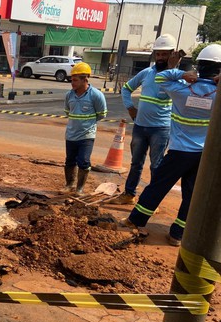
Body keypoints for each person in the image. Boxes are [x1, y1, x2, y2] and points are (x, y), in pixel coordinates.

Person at [121, 44, 221, 246]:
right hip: (203, 154)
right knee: (191, 194)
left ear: (199, 66)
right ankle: (177, 234)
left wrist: (182, 73)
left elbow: (160, 78)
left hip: (179, 151)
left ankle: (136, 220)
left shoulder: (181, 90)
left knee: (158, 186)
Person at [109, 34, 176, 205]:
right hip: (140, 127)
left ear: (172, 54)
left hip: (160, 129)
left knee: (156, 166)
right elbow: (126, 89)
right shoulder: (146, 73)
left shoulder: (176, 77)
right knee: (136, 163)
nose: (160, 57)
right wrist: (130, 108)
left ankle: (151, 202)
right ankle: (129, 194)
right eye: (158, 54)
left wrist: (174, 71)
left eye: (164, 54)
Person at [62, 62, 107, 194]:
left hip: (87, 136)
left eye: (75, 80)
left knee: (84, 161)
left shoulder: (96, 95)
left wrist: (87, 124)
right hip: (71, 135)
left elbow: (101, 114)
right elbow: (67, 111)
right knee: (69, 161)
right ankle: (69, 184)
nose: (72, 82)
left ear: (85, 79)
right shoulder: (69, 95)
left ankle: (79, 188)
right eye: (72, 80)